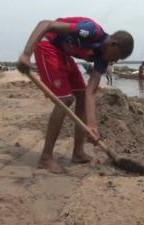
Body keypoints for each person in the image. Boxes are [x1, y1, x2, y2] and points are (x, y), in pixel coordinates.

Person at [16, 17, 134, 173]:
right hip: (47, 45)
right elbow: (46, 24)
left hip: (62, 53)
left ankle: (78, 153)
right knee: (65, 99)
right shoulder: (91, 30)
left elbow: (90, 91)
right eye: (117, 56)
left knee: (81, 95)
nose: (115, 61)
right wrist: (26, 54)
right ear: (113, 44)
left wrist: (92, 125)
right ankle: (45, 158)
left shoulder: (102, 60)